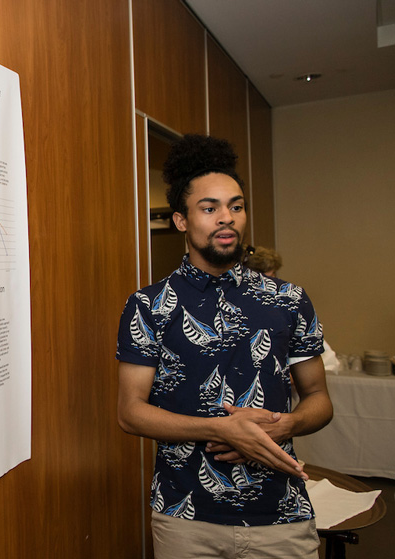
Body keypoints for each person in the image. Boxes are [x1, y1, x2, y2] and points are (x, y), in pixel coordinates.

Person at [116, 134, 333, 558]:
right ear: (181, 220)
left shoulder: (288, 299)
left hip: (281, 515)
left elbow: (319, 398)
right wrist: (219, 427)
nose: (226, 218)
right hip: (185, 518)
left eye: (235, 206)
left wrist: (283, 424)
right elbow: (130, 411)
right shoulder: (148, 306)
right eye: (209, 208)